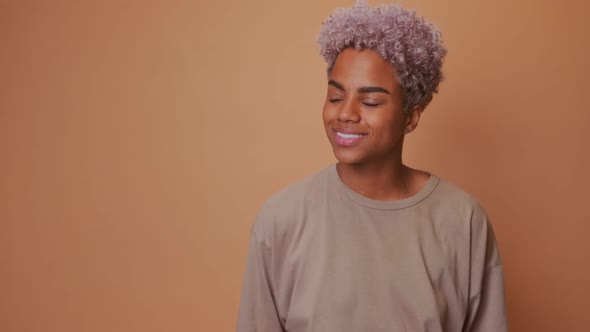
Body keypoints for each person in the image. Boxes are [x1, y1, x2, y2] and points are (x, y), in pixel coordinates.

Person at [236, 1, 507, 331]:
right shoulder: (280, 220)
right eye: (335, 97)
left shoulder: (463, 221)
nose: (345, 113)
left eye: (370, 101)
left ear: (411, 116)